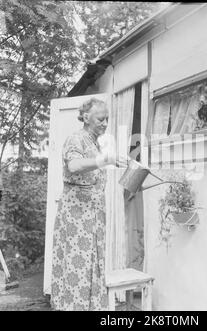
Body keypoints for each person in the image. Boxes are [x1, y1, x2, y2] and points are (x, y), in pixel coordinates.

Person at [51, 98, 122, 311]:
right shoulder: (76, 139)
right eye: (101, 118)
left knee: (92, 262)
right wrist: (104, 160)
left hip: (93, 212)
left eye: (107, 119)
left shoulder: (95, 143)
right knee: (77, 264)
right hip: (77, 215)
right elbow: (73, 165)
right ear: (86, 117)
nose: (105, 123)